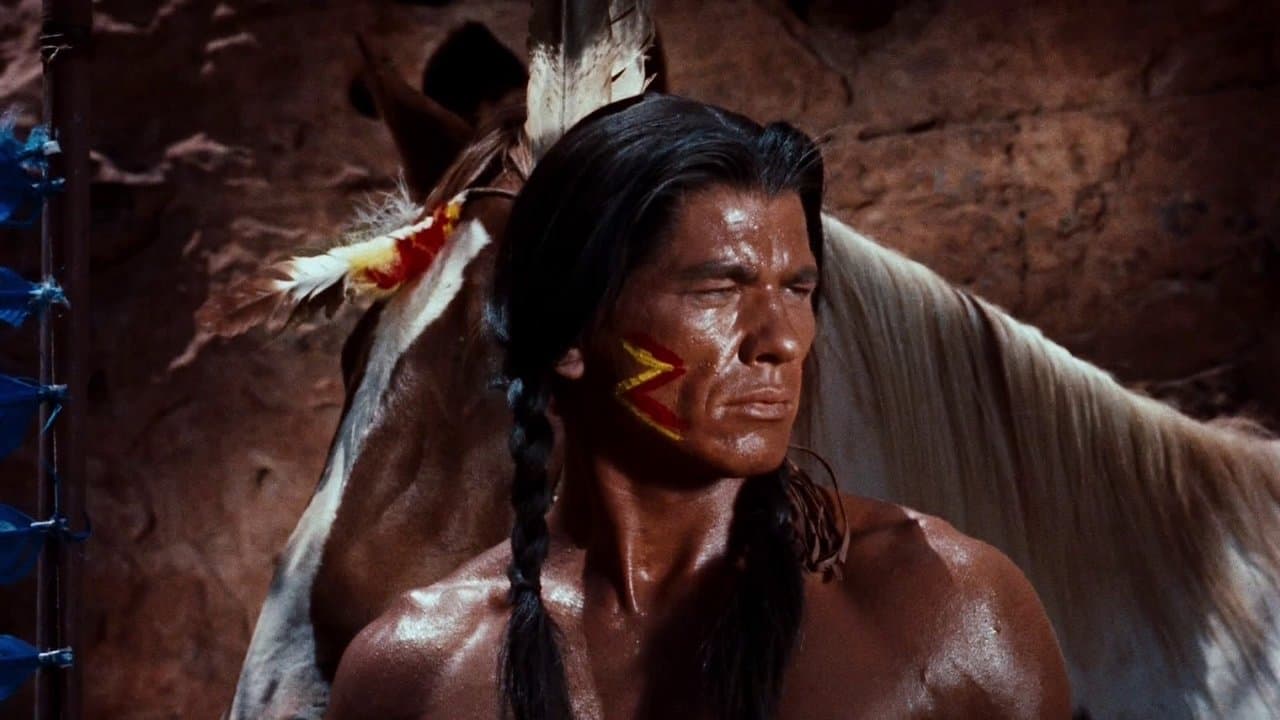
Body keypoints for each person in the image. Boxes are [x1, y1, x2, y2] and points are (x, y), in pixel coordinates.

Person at [326, 94, 1072, 720]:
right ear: (570, 335)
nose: (781, 341)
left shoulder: (944, 609)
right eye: (717, 290)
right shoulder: (416, 672)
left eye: (798, 289)